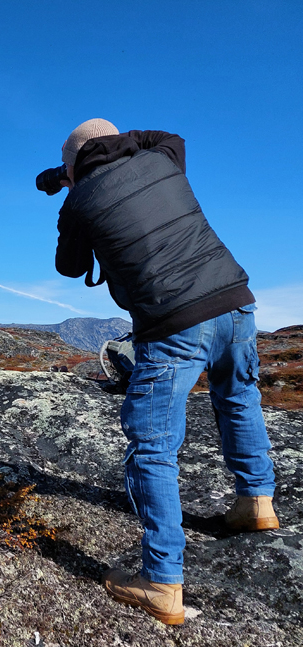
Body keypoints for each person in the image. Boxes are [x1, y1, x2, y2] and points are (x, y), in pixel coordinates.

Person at [54, 118, 279, 625]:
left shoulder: (79, 201)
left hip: (173, 320)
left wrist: (73, 186)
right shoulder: (162, 158)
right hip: (235, 304)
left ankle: (161, 582)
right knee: (238, 397)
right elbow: (168, 136)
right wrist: (90, 160)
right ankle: (255, 501)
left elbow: (69, 266)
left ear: (74, 164)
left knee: (152, 444)